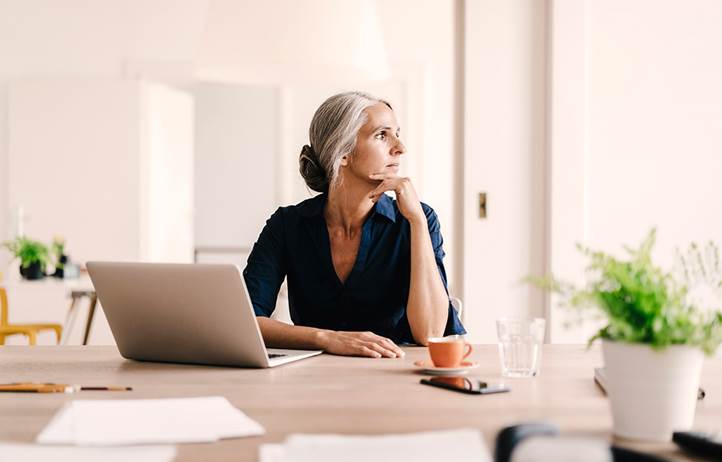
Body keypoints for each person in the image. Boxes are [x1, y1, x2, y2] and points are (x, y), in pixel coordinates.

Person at [243, 91, 465, 359]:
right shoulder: (287, 226)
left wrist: (416, 222)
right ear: (344, 152)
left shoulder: (419, 218)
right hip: (313, 381)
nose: (400, 147)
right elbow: (247, 321)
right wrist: (327, 338)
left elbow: (430, 333)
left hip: (399, 377)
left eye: (397, 133)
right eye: (382, 135)